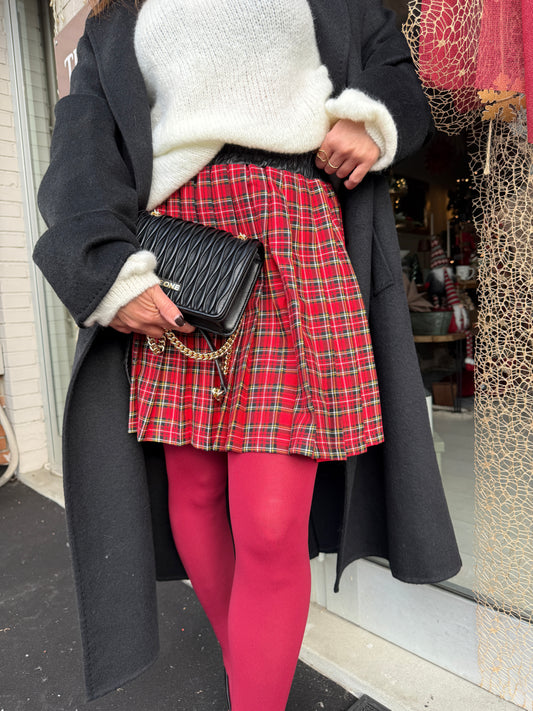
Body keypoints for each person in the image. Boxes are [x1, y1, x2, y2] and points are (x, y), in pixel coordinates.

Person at [34, 0, 462, 708]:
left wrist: (371, 117)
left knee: (267, 521)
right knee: (195, 494)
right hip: (179, 255)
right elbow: (82, 150)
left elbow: (395, 70)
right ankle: (251, 674)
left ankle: (253, 686)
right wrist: (105, 270)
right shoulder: (119, 16)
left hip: (295, 237)